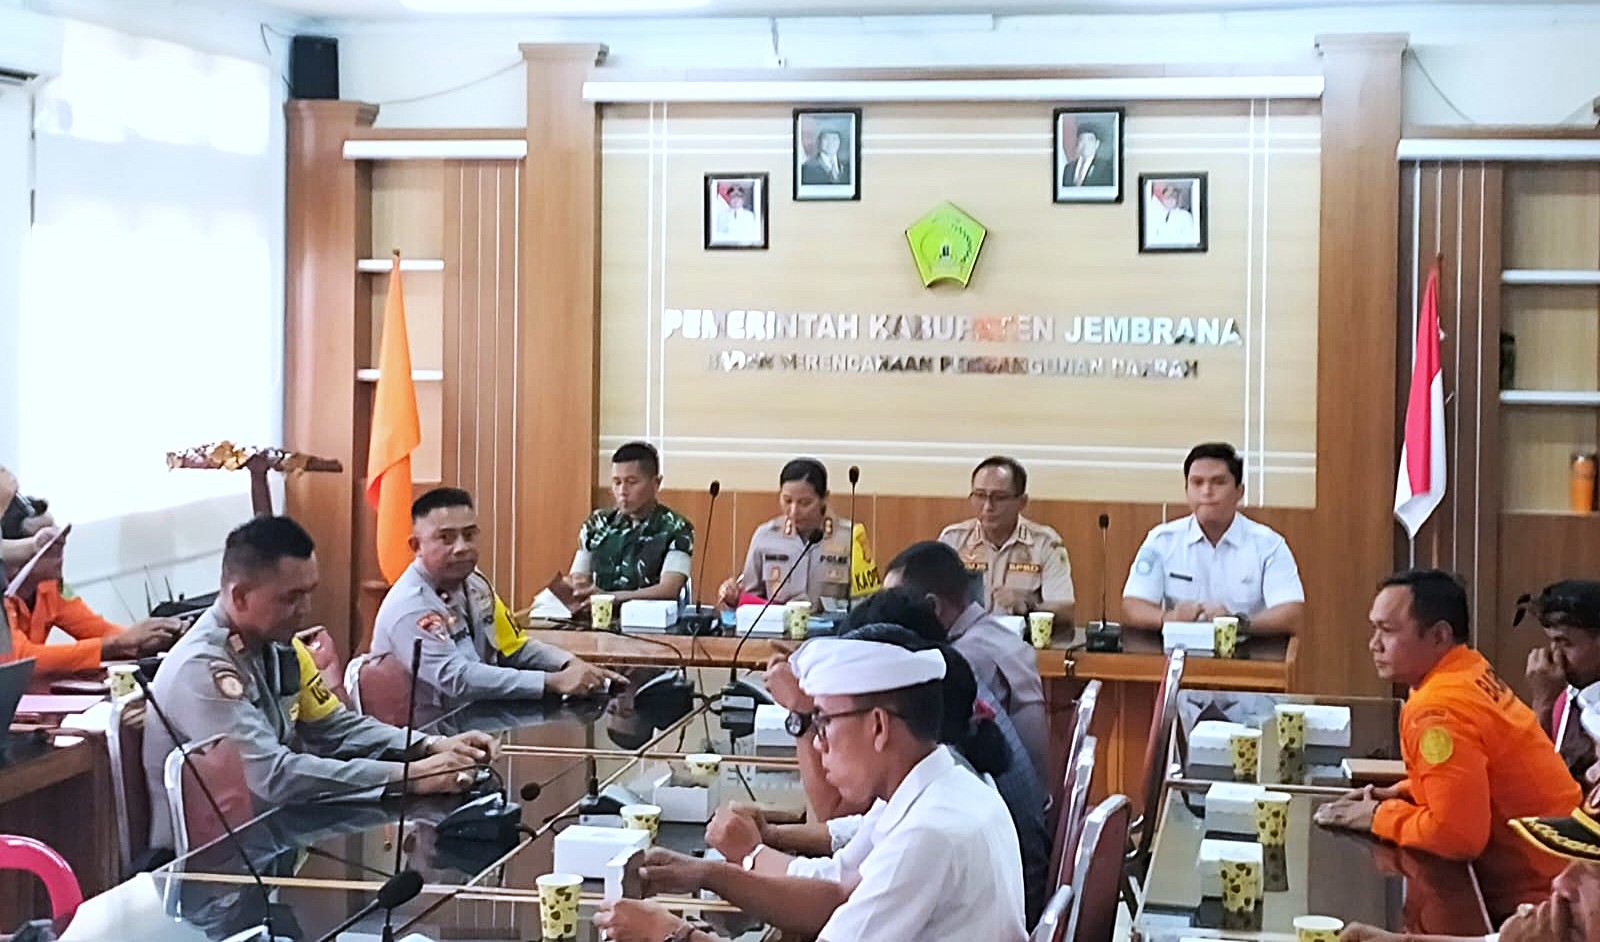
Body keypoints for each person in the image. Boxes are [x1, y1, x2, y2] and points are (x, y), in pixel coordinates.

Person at [595, 636, 1027, 942]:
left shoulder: (927, 836)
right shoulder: (941, 785)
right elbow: (837, 893)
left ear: (878, 726)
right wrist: (709, 874)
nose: (817, 744)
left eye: (823, 722)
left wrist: (673, 933)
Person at [143, 516, 496, 851]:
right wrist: (408, 776)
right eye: (290, 598)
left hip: (274, 834)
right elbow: (273, 777)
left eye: (309, 593)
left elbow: (333, 727)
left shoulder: (275, 643)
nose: (305, 609)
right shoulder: (202, 669)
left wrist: (428, 745)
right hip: (211, 866)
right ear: (239, 596)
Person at [1314, 569, 1580, 922]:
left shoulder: (1440, 708)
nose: (1374, 644)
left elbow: (1456, 836)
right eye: (1374, 629)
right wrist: (1401, 793)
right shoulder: (1468, 670)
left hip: (1550, 905)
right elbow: (1476, 780)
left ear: (1439, 635)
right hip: (1564, 873)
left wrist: (1379, 816)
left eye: (1388, 630)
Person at [371, 487, 623, 713]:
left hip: (477, 716)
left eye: (469, 535)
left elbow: (512, 647)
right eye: (446, 538)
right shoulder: (411, 606)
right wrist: (552, 681)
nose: (461, 547)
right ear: (416, 546)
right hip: (425, 733)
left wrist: (570, 664)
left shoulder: (475, 582)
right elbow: (457, 679)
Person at [883, 542, 1048, 786]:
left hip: (1008, 803)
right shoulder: (995, 635)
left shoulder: (963, 660)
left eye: (895, 602)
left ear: (933, 606)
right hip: (1030, 796)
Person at [1122, 442, 1304, 634]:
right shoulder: (1162, 540)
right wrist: (1170, 618)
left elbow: (1291, 612)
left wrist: (1235, 624)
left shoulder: (1268, 544)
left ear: (1239, 491)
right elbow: (1132, 606)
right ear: (1186, 490)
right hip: (1180, 647)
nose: (1207, 491)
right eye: (1197, 482)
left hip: (1246, 647)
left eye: (1218, 482)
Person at [2, 526, 180, 676]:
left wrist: (146, 640)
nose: (60, 555)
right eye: (50, 550)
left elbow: (97, 630)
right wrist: (120, 642)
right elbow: (21, 658)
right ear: (16, 560)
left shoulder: (51, 587)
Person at [937, 456, 1075, 623]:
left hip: (1020, 637)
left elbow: (1065, 611)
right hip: (965, 636)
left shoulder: (1044, 543)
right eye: (980, 495)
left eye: (999, 497)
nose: (988, 506)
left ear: (1022, 502)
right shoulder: (953, 539)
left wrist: (1029, 607)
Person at [567, 441, 694, 609]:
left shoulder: (676, 527)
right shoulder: (597, 523)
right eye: (617, 482)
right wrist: (577, 586)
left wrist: (612, 598)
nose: (622, 491)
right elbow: (578, 577)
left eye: (632, 482)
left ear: (656, 483)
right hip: (597, 618)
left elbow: (669, 589)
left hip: (648, 620)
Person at [719, 458, 855, 611]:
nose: (794, 511)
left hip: (832, 626)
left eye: (804, 503)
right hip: (775, 625)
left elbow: (865, 603)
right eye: (787, 501)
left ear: (824, 498)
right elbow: (749, 600)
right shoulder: (766, 536)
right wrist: (733, 597)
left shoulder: (850, 537)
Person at [1521, 580, 1600, 785]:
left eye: (1565, 643)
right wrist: (1544, 704)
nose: (1555, 656)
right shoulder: (1565, 697)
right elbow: (1532, 780)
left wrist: (1544, 703)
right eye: (1552, 641)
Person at [1145, 181, 1198, 246]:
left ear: (1177, 199)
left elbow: (1190, 239)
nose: (1169, 201)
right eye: (1167, 198)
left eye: (1172, 198)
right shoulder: (1160, 215)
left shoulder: (1185, 215)